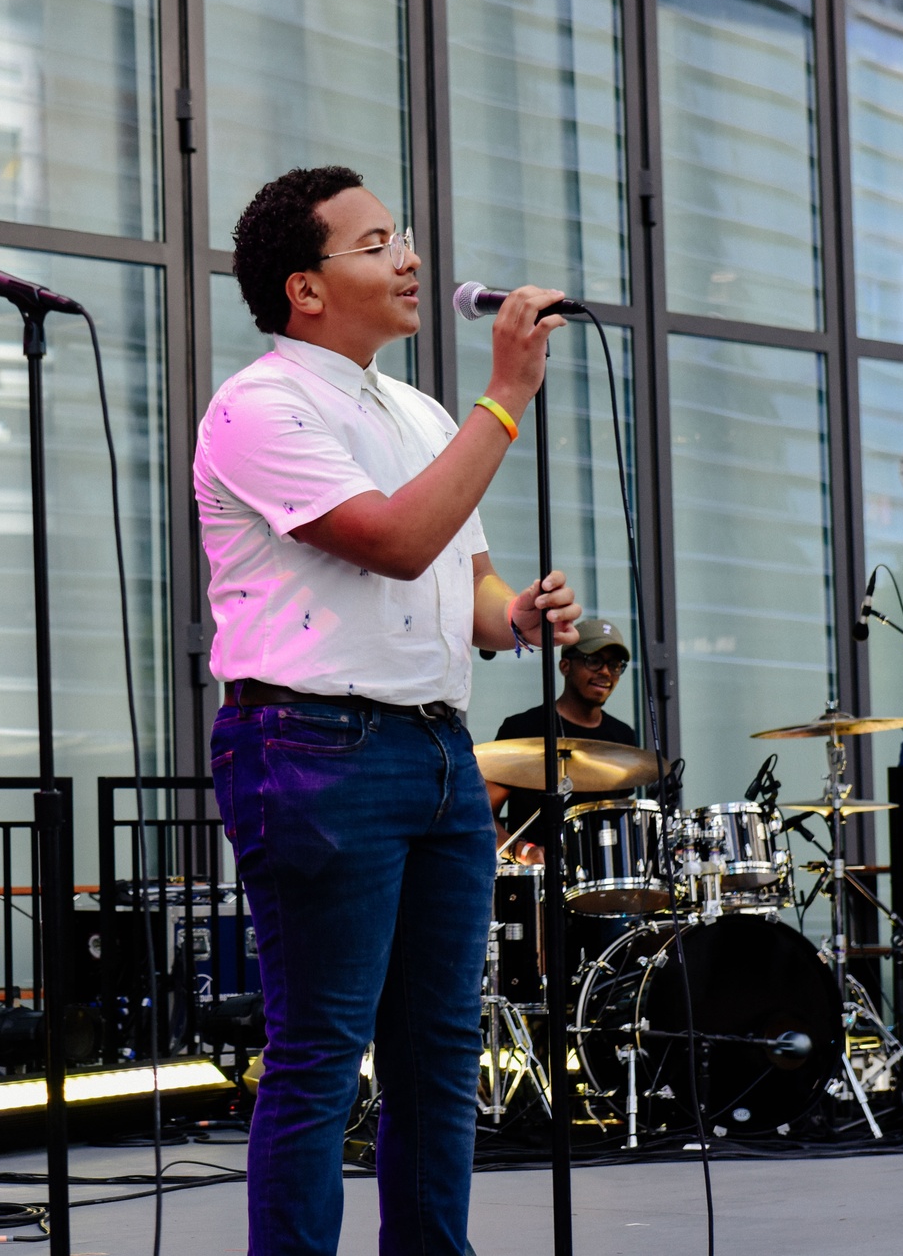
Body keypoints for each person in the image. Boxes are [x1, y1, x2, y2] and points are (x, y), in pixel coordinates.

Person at [195, 165, 581, 1256]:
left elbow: (467, 587)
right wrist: (504, 395)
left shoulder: (414, 411)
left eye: (401, 234)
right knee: (320, 1049)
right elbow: (396, 540)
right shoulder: (259, 405)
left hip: (435, 746)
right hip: (314, 745)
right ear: (304, 289)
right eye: (373, 244)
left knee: (437, 1049)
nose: (407, 257)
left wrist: (521, 616)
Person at [489, 617, 636, 863]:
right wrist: (524, 852)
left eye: (615, 664)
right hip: (536, 881)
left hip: (599, 881)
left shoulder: (621, 737)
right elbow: (482, 816)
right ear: (565, 666)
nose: (605, 671)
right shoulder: (521, 729)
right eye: (594, 660)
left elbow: (619, 820)